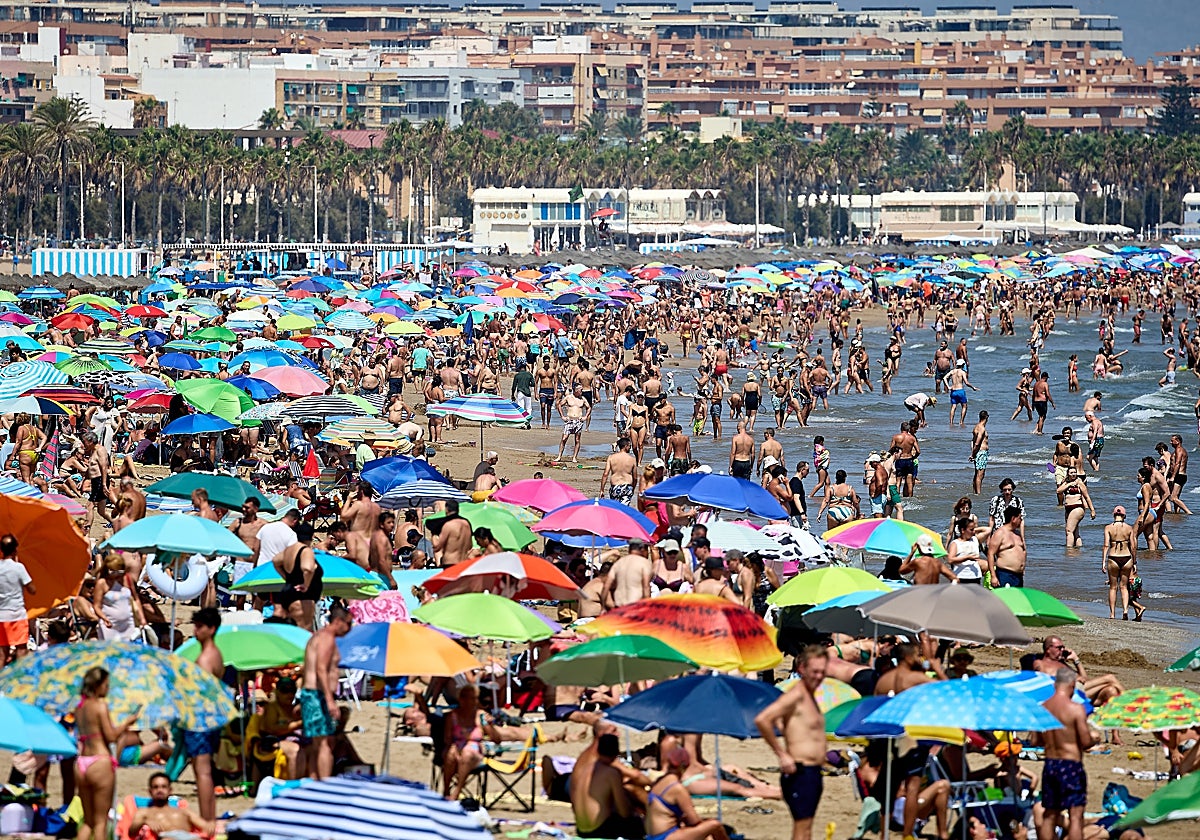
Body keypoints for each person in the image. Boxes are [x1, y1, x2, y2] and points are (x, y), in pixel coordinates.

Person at [755, 645, 829, 840]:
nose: (819, 676)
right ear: (802, 669)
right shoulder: (795, 695)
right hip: (799, 770)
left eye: (822, 671)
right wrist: (782, 754)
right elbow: (763, 720)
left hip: (812, 771)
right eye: (815, 671)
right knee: (801, 828)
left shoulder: (809, 696)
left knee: (807, 828)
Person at [75, 667, 140, 840]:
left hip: (82, 762)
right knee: (100, 822)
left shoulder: (80, 707)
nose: (108, 688)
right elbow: (111, 737)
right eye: (106, 685)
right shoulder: (100, 706)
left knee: (88, 822)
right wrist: (127, 722)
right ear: (98, 685)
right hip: (100, 762)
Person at [1035, 669, 1094, 840]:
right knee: (1075, 815)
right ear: (1072, 686)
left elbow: (1035, 741)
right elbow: (1085, 742)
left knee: (1050, 814)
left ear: (1055, 685)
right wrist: (1094, 738)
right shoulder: (1076, 709)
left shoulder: (1043, 708)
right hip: (1070, 764)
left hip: (1051, 763)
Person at [301, 603, 353, 780]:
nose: (349, 629)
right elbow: (321, 669)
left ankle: (316, 783)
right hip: (318, 695)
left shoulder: (320, 636)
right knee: (325, 744)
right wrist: (330, 701)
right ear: (338, 621)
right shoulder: (326, 638)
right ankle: (324, 786)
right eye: (348, 624)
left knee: (320, 743)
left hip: (314, 694)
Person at [184, 608, 223, 823]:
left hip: (201, 718)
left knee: (202, 771)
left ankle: (207, 819)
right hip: (211, 717)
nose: (195, 630)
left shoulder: (206, 659)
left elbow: (202, 694)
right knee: (204, 770)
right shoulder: (216, 654)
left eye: (199, 626)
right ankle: (208, 818)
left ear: (212, 629)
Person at [644, 746, 729, 840]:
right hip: (665, 836)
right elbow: (694, 821)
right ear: (684, 767)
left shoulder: (658, 781)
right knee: (714, 825)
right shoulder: (677, 788)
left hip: (652, 835)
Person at [572, 732, 644, 839]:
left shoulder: (584, 768)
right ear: (617, 752)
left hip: (580, 829)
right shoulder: (611, 773)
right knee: (638, 824)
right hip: (600, 830)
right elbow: (624, 811)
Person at [127, 772, 214, 840]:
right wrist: (145, 822)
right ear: (150, 791)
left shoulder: (184, 811)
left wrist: (211, 826)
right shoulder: (144, 812)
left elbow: (205, 826)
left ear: (170, 790)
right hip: (166, 837)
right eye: (156, 787)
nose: (160, 790)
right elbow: (131, 832)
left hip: (189, 837)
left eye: (164, 787)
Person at [273, 523, 323, 631]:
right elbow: (308, 568)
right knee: (303, 632)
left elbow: (275, 561)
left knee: (292, 633)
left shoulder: (289, 550)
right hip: (302, 598)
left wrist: (286, 578)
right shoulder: (306, 550)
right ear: (312, 536)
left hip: (289, 592)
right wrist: (306, 585)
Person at [0, 534, 33, 666]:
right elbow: (32, 589)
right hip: (17, 613)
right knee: (21, 650)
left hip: (1, 615)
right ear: (15, 550)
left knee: (2, 653)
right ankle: (20, 681)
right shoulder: (19, 568)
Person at [987, 506, 1027, 588]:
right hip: (1005, 574)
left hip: (1018, 576)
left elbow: (1023, 551)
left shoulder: (1018, 534)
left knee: (1016, 600)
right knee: (1005, 600)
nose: (1021, 521)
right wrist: (993, 576)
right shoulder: (1000, 533)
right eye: (1019, 518)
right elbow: (990, 554)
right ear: (1013, 519)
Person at [1056, 467, 1095, 548]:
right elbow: (1058, 491)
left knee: (1069, 531)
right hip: (1068, 509)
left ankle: (1069, 550)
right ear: (1068, 474)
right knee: (1075, 532)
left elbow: (1087, 497)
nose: (1073, 474)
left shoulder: (1079, 483)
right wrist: (1069, 484)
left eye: (1075, 472)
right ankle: (1078, 551)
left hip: (1077, 508)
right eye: (1071, 473)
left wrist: (1092, 510)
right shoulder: (1066, 483)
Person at [970, 411, 989, 495]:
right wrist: (973, 454)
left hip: (977, 452)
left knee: (976, 474)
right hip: (981, 452)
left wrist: (973, 452)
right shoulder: (982, 428)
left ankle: (975, 492)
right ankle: (978, 493)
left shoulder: (976, 427)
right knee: (980, 475)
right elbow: (977, 442)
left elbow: (972, 441)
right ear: (987, 417)